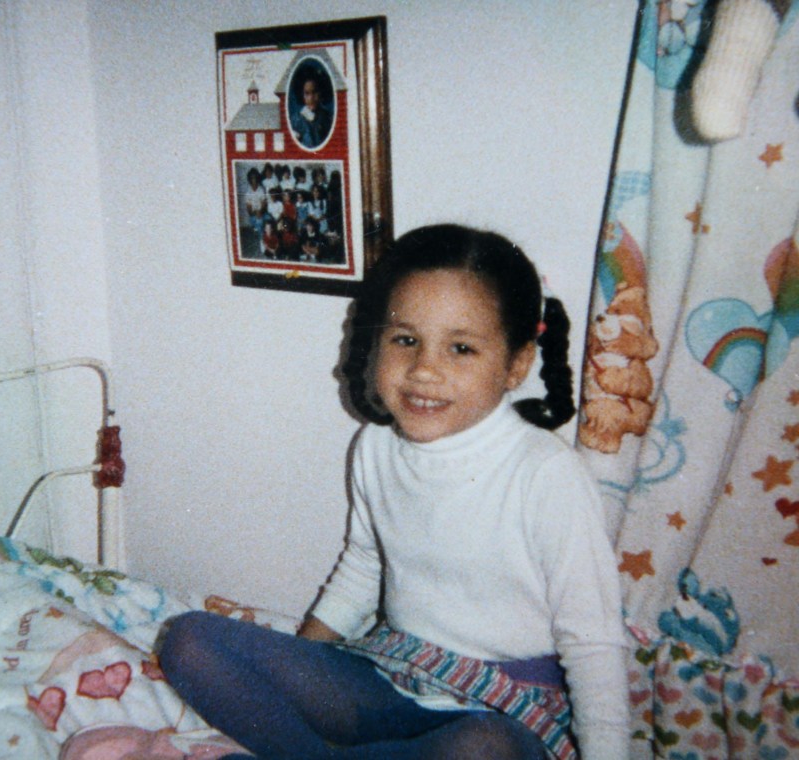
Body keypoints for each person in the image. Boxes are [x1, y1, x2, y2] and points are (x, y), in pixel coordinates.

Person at [159, 224, 629, 759]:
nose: (425, 370)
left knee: (479, 752)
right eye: (406, 340)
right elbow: (364, 566)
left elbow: (593, 644)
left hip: (503, 711)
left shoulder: (546, 474)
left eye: (461, 348)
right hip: (395, 675)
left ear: (516, 365)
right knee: (189, 641)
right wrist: (300, 663)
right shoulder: (375, 447)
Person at [290, 74, 333, 149]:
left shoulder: (327, 117)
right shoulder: (297, 120)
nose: (311, 97)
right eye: (307, 93)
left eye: (314, 92)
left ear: (320, 93)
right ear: (302, 96)